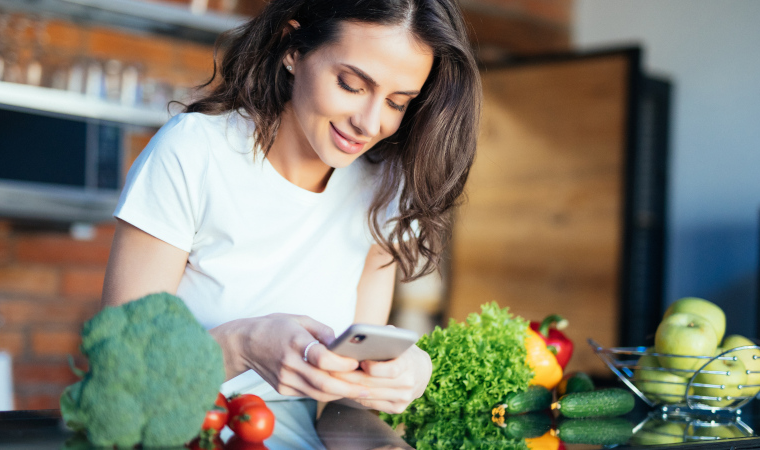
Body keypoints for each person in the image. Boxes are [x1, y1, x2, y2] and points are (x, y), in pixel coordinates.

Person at [101, 0, 480, 418]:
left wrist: (399, 375)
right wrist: (241, 345)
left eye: (397, 102)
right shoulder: (194, 152)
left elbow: (341, 408)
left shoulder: (384, 184)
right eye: (352, 85)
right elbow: (119, 373)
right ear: (292, 48)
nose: (370, 124)